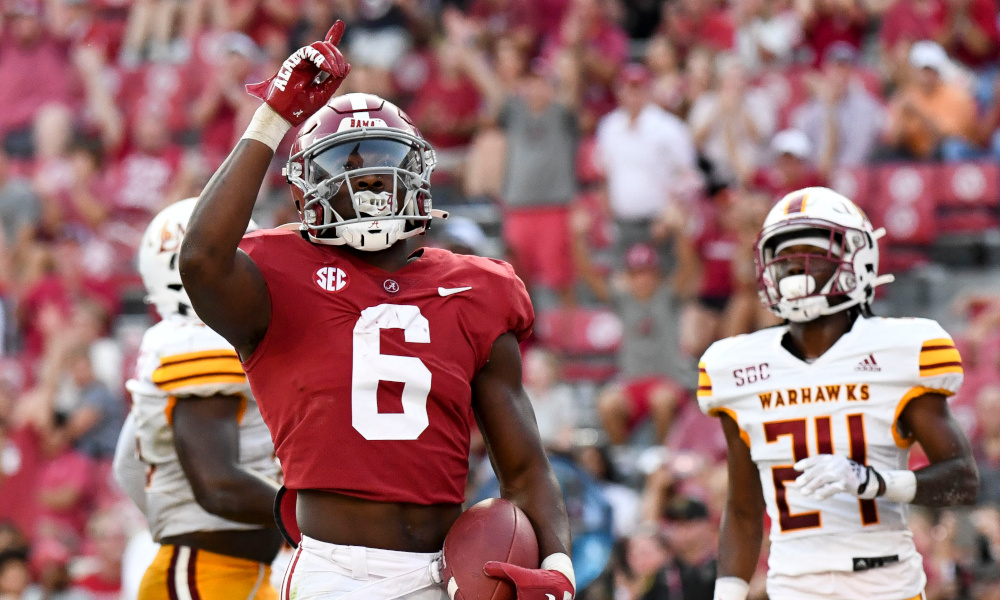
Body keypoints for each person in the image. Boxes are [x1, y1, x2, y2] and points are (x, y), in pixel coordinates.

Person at [178, 22, 575, 600]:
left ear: (419, 173)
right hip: (335, 574)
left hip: (447, 570)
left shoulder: (476, 288)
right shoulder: (279, 275)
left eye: (384, 161)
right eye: (347, 168)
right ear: (304, 190)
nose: (368, 182)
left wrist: (558, 564)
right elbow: (202, 258)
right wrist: (274, 118)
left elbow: (525, 467)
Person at [698, 187, 979, 600]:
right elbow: (742, 508)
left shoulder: (899, 351)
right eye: (784, 255)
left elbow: (962, 480)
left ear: (856, 259)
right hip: (793, 588)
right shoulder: (737, 367)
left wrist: (874, 482)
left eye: (812, 252)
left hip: (887, 586)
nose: (795, 266)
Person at [114, 198, 283, 600]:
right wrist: (315, 515)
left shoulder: (175, 342)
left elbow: (127, 465)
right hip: (203, 575)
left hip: (231, 572)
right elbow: (217, 485)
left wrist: (171, 515)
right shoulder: (199, 340)